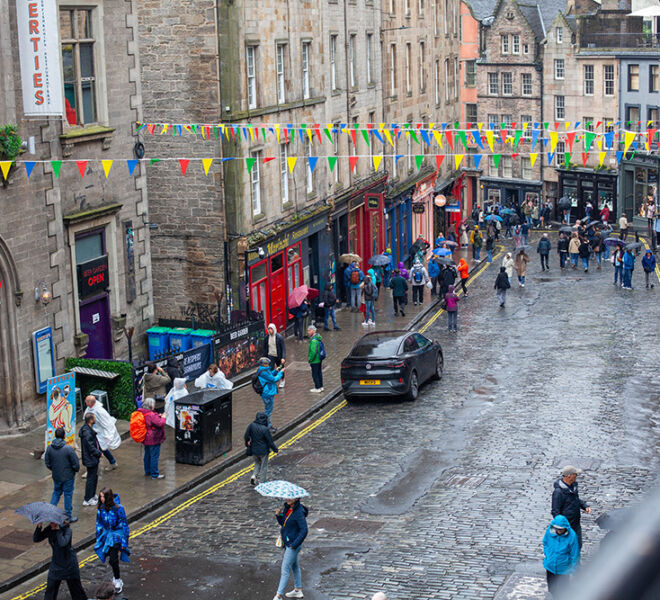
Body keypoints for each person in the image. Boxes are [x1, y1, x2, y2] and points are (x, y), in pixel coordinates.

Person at [34, 521, 87, 600]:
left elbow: (63, 543)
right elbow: (36, 539)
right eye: (50, 522)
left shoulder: (67, 530)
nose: (51, 524)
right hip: (56, 564)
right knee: (50, 592)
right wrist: (39, 527)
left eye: (53, 522)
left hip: (69, 565)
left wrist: (57, 530)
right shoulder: (49, 529)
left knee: (77, 592)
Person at [94, 488, 130, 594]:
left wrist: (124, 542)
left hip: (117, 536)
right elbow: (98, 523)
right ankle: (116, 576)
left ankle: (118, 580)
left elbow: (124, 525)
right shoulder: (101, 508)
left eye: (103, 497)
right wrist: (99, 536)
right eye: (100, 497)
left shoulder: (119, 508)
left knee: (113, 559)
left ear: (108, 497)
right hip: (107, 536)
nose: (101, 499)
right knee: (110, 559)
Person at [273, 497, 309, 600]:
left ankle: (278, 595)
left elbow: (304, 530)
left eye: (290, 497)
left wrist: (294, 545)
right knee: (294, 566)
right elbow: (285, 525)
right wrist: (278, 516)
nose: (287, 499)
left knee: (285, 569)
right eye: (286, 497)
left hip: (292, 545)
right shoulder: (287, 508)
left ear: (297, 498)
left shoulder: (298, 512)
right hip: (288, 543)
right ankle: (298, 590)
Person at [44, 427, 79, 522]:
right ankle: (68, 516)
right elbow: (75, 463)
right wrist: (74, 470)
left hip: (56, 475)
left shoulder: (50, 448)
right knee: (68, 495)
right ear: (64, 436)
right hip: (68, 476)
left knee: (56, 493)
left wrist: (54, 469)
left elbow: (47, 462)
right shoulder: (68, 449)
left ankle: (51, 513)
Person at [551, 465, 591, 548]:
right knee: (566, 547)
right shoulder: (558, 492)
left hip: (575, 523)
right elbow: (555, 511)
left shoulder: (573, 486)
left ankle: (576, 560)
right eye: (575, 474)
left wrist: (584, 506)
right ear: (569, 476)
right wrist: (561, 526)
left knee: (577, 545)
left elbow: (576, 500)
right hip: (566, 525)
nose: (577, 476)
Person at [543, 515, 580, 598]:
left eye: (561, 529)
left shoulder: (572, 536)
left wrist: (574, 570)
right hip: (550, 566)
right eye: (557, 529)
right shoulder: (549, 532)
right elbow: (545, 543)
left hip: (564, 569)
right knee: (552, 589)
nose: (559, 531)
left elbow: (575, 554)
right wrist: (548, 555)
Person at [83, 395, 120, 472]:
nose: (85, 402)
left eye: (86, 401)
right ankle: (113, 462)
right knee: (102, 449)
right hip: (93, 432)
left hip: (100, 433)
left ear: (91, 402)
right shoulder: (90, 408)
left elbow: (108, 424)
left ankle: (90, 470)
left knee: (95, 450)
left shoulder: (100, 411)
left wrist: (109, 436)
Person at [244, 411, 278, 485]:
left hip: (254, 450)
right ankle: (262, 482)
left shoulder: (251, 425)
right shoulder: (265, 429)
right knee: (263, 466)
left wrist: (247, 443)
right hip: (263, 451)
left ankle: (254, 476)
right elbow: (270, 441)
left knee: (257, 463)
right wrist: (275, 449)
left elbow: (246, 436)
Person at [137, 398, 166, 479]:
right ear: (151, 405)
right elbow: (160, 423)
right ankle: (155, 474)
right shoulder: (151, 414)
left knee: (147, 455)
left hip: (145, 437)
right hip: (153, 438)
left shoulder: (141, 412)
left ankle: (147, 471)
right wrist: (163, 417)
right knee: (154, 456)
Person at [79, 414, 102, 507]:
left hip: (92, 458)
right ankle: (88, 498)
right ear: (91, 420)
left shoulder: (87, 430)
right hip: (90, 458)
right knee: (91, 478)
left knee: (94, 477)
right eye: (94, 418)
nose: (96, 419)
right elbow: (90, 446)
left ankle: (92, 495)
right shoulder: (87, 433)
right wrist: (98, 453)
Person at [255, 356, 284, 428]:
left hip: (267, 393)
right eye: (267, 364)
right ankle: (267, 425)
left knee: (268, 409)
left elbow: (270, 374)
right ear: (264, 364)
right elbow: (274, 379)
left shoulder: (262, 370)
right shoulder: (263, 372)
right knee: (268, 411)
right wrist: (280, 373)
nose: (268, 365)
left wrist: (276, 370)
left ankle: (267, 424)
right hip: (267, 393)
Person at [263, 323, 286, 388]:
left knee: (281, 368)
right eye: (269, 329)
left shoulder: (279, 337)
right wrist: (264, 358)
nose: (270, 330)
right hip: (270, 356)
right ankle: (271, 382)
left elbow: (283, 348)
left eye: (271, 329)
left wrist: (283, 357)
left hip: (278, 356)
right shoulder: (266, 338)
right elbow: (265, 348)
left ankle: (282, 380)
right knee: (270, 369)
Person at [307, 326, 324, 393]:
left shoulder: (313, 341)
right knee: (319, 373)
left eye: (309, 330)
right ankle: (321, 386)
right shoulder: (317, 338)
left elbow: (313, 352)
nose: (308, 332)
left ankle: (317, 387)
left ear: (313, 331)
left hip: (315, 360)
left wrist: (310, 359)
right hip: (319, 359)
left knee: (315, 374)